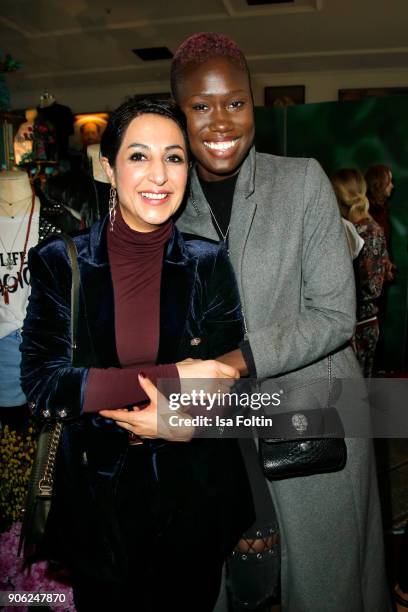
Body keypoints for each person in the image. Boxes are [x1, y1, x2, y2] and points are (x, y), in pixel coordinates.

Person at [172, 32, 391, 612]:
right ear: (181, 114)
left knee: (326, 589)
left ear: (254, 105)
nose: (221, 121)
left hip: (315, 420)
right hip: (223, 430)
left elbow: (334, 316)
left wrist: (234, 360)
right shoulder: (169, 204)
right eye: (201, 106)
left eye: (235, 103)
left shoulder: (301, 183)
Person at [20, 98, 254, 612]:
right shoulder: (62, 262)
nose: (159, 175)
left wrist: (181, 419)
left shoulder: (207, 261)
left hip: (192, 499)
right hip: (97, 505)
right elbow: (44, 383)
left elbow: (231, 376)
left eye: (173, 158)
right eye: (138, 156)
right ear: (107, 167)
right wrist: (175, 374)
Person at [332, 168, 389, 378]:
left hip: (360, 326)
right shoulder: (354, 228)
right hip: (352, 325)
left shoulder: (366, 231)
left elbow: (371, 287)